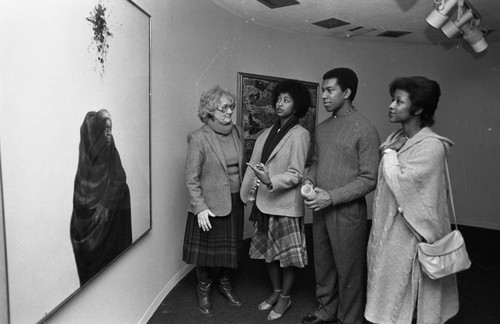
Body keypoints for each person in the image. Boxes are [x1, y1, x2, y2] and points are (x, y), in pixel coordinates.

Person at [364, 76, 459, 324]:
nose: (391, 105)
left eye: (399, 101)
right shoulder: (397, 139)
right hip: (390, 231)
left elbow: (403, 184)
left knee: (411, 299)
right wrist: (390, 151)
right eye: (392, 99)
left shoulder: (431, 147)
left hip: (413, 236)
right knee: (393, 299)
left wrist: (388, 154)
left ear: (417, 109)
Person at [301, 68, 380, 324]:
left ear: (346, 93)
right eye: (323, 90)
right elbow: (315, 161)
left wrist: (331, 197)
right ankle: (326, 310)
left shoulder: (364, 128)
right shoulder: (322, 129)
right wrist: (310, 179)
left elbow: (370, 179)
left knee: (349, 270)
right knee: (323, 265)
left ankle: (349, 318)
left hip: (347, 213)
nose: (323, 95)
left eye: (329, 90)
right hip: (320, 208)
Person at [241, 79, 311, 321]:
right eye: (279, 99)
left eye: (287, 100)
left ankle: (285, 297)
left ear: (297, 105)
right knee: (267, 253)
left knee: (287, 257)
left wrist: (270, 179)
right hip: (264, 201)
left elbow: (296, 174)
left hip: (286, 204)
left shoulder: (300, 134)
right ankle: (277, 291)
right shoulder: (268, 132)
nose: (280, 104)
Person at [183, 85, 245, 315]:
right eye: (224, 109)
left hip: (234, 200)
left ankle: (225, 284)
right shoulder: (199, 138)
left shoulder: (236, 132)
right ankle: (204, 289)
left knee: (231, 250)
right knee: (207, 254)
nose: (229, 112)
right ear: (209, 111)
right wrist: (199, 207)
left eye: (232, 107)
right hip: (209, 206)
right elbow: (191, 178)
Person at [70, 109, 132, 286]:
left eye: (111, 129)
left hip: (112, 224)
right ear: (95, 132)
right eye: (105, 129)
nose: (109, 133)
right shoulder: (86, 162)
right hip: (86, 229)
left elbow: (120, 177)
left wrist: (105, 203)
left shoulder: (110, 149)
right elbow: (81, 201)